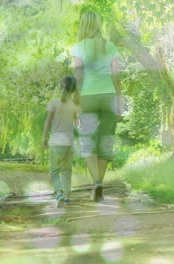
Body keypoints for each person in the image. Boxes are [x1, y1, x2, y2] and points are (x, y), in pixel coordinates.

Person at [71, 11, 122, 202]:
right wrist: (119, 102)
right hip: (108, 95)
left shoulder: (79, 47)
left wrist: (76, 104)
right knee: (106, 141)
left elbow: (78, 77)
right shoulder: (110, 46)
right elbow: (116, 77)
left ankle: (97, 183)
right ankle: (99, 182)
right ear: (99, 24)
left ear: (83, 25)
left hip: (87, 96)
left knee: (88, 143)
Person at [42, 76, 80, 208]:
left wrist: (44, 138)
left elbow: (48, 121)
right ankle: (67, 196)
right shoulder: (74, 105)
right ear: (74, 89)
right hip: (69, 142)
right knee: (66, 170)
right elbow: (77, 123)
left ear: (61, 87)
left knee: (54, 170)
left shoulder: (54, 102)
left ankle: (58, 193)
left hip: (56, 141)